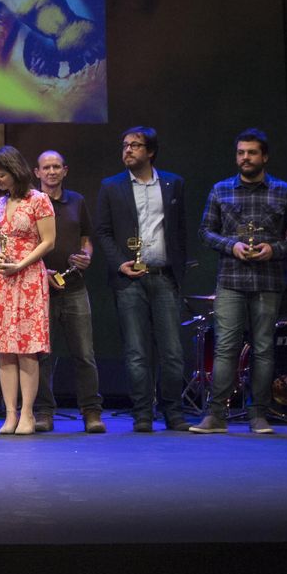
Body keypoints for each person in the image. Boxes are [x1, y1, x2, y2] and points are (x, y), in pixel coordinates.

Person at [191, 129, 287, 435]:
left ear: (264, 157)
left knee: (263, 348)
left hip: (268, 278)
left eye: (251, 153)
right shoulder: (221, 190)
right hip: (231, 280)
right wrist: (230, 246)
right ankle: (216, 415)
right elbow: (205, 231)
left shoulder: (283, 191)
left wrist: (274, 250)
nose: (245, 158)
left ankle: (258, 414)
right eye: (240, 153)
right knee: (226, 347)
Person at [94, 126, 191, 432]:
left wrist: (179, 271)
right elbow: (103, 232)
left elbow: (180, 231)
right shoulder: (111, 186)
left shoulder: (173, 184)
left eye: (135, 145)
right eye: (125, 145)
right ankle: (142, 412)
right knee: (136, 351)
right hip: (130, 279)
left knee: (173, 351)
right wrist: (119, 263)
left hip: (163, 276)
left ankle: (173, 410)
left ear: (150, 152)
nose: (128, 150)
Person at [0, 146, 56, 435]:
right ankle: (10, 414)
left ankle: (27, 413)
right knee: (5, 350)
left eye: (1, 175)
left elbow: (48, 241)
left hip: (28, 279)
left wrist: (20, 263)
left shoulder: (39, 200)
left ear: (15, 171)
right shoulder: (0, 204)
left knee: (26, 349)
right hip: (4, 280)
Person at [31, 149, 102, 434]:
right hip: (40, 288)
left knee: (84, 353)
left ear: (65, 170)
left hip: (73, 287)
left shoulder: (77, 201)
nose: (51, 172)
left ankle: (91, 412)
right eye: (45, 167)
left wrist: (87, 255)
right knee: (42, 355)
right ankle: (44, 412)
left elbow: (87, 238)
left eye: (56, 167)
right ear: (36, 172)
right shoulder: (29, 203)